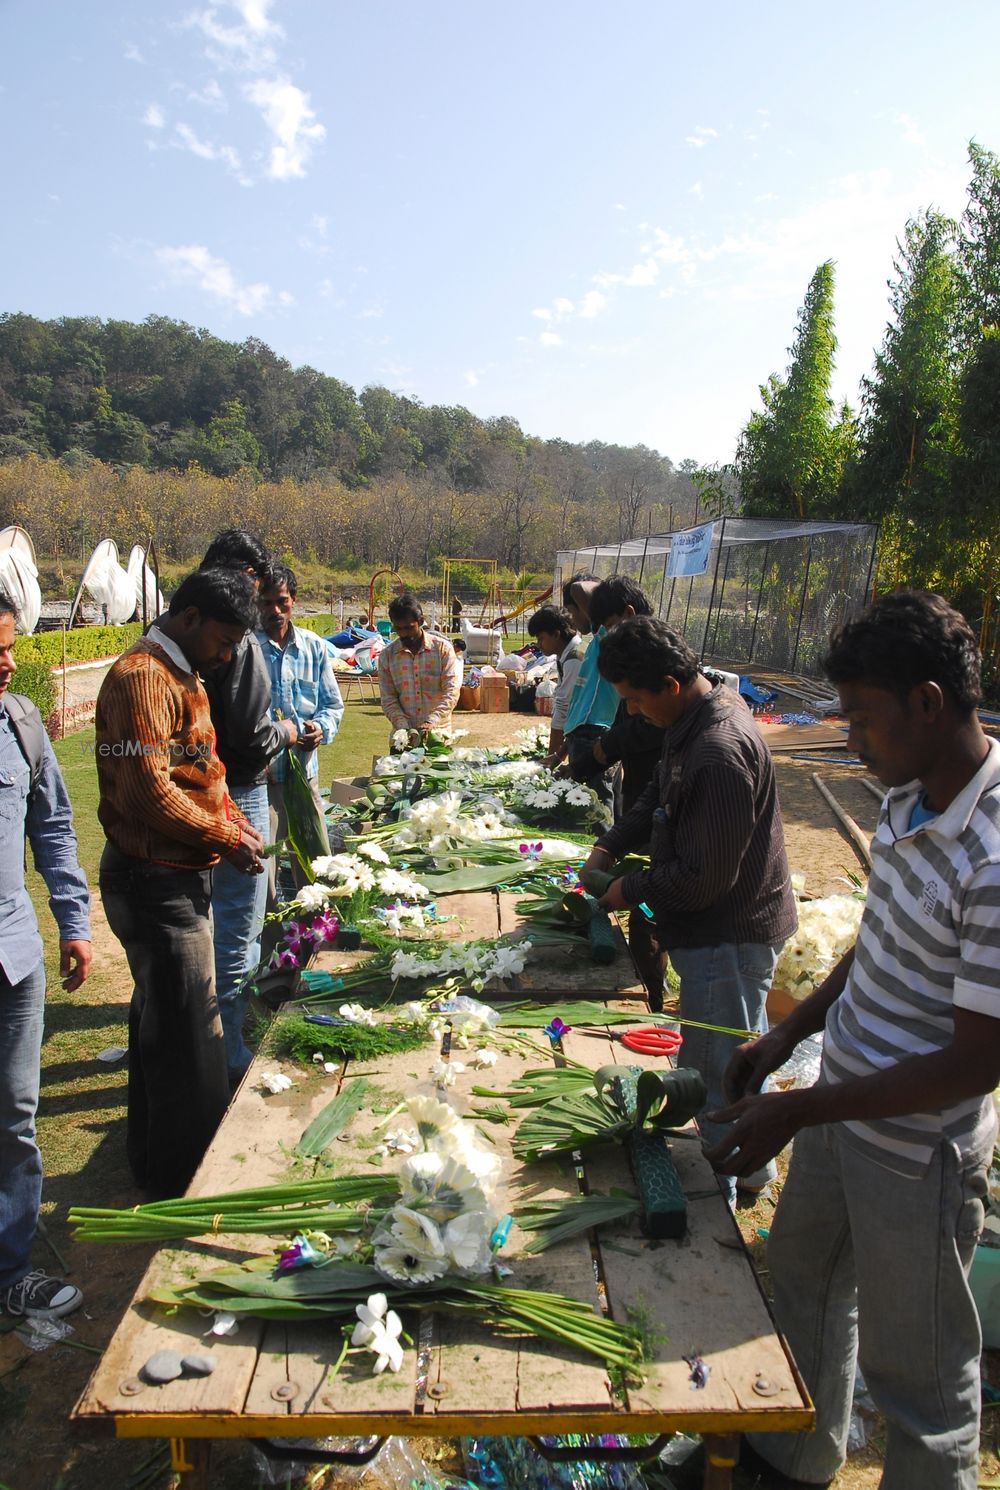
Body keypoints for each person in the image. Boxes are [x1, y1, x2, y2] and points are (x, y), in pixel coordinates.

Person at [705, 591, 1000, 1490]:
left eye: (864, 718)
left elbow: (976, 1061)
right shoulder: (911, 796)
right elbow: (875, 944)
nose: (854, 739)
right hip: (842, 1106)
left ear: (928, 702)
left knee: (921, 1382)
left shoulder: (994, 855)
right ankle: (795, 1461)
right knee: (804, 1286)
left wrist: (805, 1109)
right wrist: (788, 1034)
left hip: (917, 1152)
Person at [579, 616, 796, 1205]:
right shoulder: (690, 716)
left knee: (719, 1071)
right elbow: (656, 797)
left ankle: (722, 1192)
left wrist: (629, 888)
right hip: (713, 928)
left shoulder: (719, 751)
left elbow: (703, 880)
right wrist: (610, 844)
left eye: (634, 701)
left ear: (670, 684)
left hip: (730, 934)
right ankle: (749, 1173)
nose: (631, 714)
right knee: (727, 1056)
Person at [97, 568, 264, 1199]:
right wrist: (224, 839)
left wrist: (236, 821)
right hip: (153, 880)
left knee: (167, 1028)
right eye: (223, 640)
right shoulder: (143, 677)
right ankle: (180, 1184)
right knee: (186, 1042)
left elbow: (203, 770)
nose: (227, 655)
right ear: (189, 617)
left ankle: (158, 1163)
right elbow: (148, 791)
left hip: (177, 876)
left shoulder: (184, 672)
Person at [0, 591, 91, 1320]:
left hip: (13, 955)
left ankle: (10, 1268)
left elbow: (54, 828)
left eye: (10, 648)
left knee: (16, 1114)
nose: (7, 664)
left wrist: (73, 921)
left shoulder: (21, 723)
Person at [195, 530, 297, 1087]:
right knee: (238, 930)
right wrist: (282, 728)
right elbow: (254, 740)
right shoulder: (239, 641)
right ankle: (228, 1059)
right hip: (236, 793)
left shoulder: (182, 633)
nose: (257, 603)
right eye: (255, 587)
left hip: (197, 795)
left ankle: (209, 1048)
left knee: (201, 930)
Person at [585, 576, 669, 1005]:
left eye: (608, 624)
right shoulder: (635, 659)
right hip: (642, 793)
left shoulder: (654, 661)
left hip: (656, 808)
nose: (604, 635)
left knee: (650, 908)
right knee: (644, 902)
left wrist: (609, 744)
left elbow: (646, 728)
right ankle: (651, 973)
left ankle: (653, 985)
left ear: (630, 615)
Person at [256, 563, 344, 899]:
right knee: (264, 877)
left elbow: (332, 705)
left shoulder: (313, 647)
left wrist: (320, 729)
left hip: (303, 777)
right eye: (266, 603)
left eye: (282, 601)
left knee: (315, 868)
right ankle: (270, 944)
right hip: (261, 783)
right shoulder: (246, 649)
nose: (274, 611)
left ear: (294, 600)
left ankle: (311, 941)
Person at [560, 573, 620, 813]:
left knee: (596, 811)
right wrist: (561, 752)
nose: (573, 620)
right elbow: (579, 711)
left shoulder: (606, 636)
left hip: (595, 735)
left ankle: (605, 849)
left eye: (574, 612)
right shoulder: (594, 645)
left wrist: (602, 597)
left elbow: (579, 588)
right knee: (590, 809)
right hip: (582, 737)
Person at [378, 592, 461, 744]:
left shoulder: (442, 649)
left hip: (438, 737)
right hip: (403, 740)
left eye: (409, 628)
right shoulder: (387, 656)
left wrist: (432, 721)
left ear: (421, 621)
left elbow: (452, 690)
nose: (403, 634)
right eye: (399, 629)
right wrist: (404, 727)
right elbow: (388, 699)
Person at [526, 604, 584, 770]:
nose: (538, 644)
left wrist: (552, 756)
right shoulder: (567, 654)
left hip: (588, 738)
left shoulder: (575, 657)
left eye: (541, 638)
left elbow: (563, 705)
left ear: (556, 634)